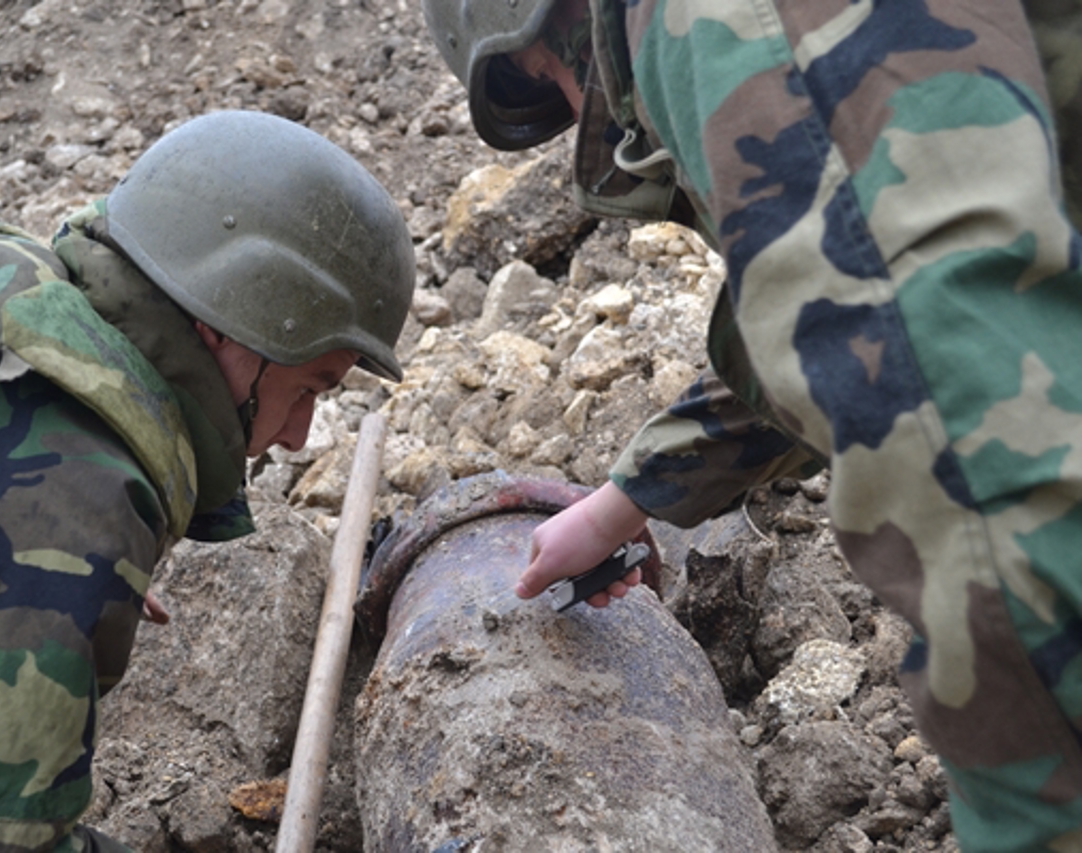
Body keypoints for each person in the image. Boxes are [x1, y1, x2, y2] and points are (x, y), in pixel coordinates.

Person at [423, 0, 1082, 848]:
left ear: (550, 29)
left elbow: (954, 423)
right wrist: (627, 499)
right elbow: (861, 314)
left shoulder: (729, 18)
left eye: (545, 77)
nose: (573, 99)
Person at [0, 109, 414, 851]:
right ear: (235, 319)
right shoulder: (61, 484)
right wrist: (58, 539)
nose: (296, 435)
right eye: (309, 387)